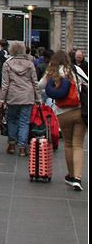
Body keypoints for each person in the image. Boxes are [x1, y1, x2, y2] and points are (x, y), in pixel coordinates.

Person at [42, 50, 87, 190]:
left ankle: (71, 175)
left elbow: (40, 85)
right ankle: (77, 178)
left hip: (62, 113)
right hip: (79, 111)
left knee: (68, 144)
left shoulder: (52, 71)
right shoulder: (75, 69)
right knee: (78, 145)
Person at [0, 40, 42, 156]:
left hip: (13, 96)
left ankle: (12, 144)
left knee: (11, 120)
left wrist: (1, 100)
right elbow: (35, 82)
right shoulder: (29, 64)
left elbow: (5, 84)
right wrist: (38, 99)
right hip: (27, 96)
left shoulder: (7, 64)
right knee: (24, 122)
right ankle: (22, 147)